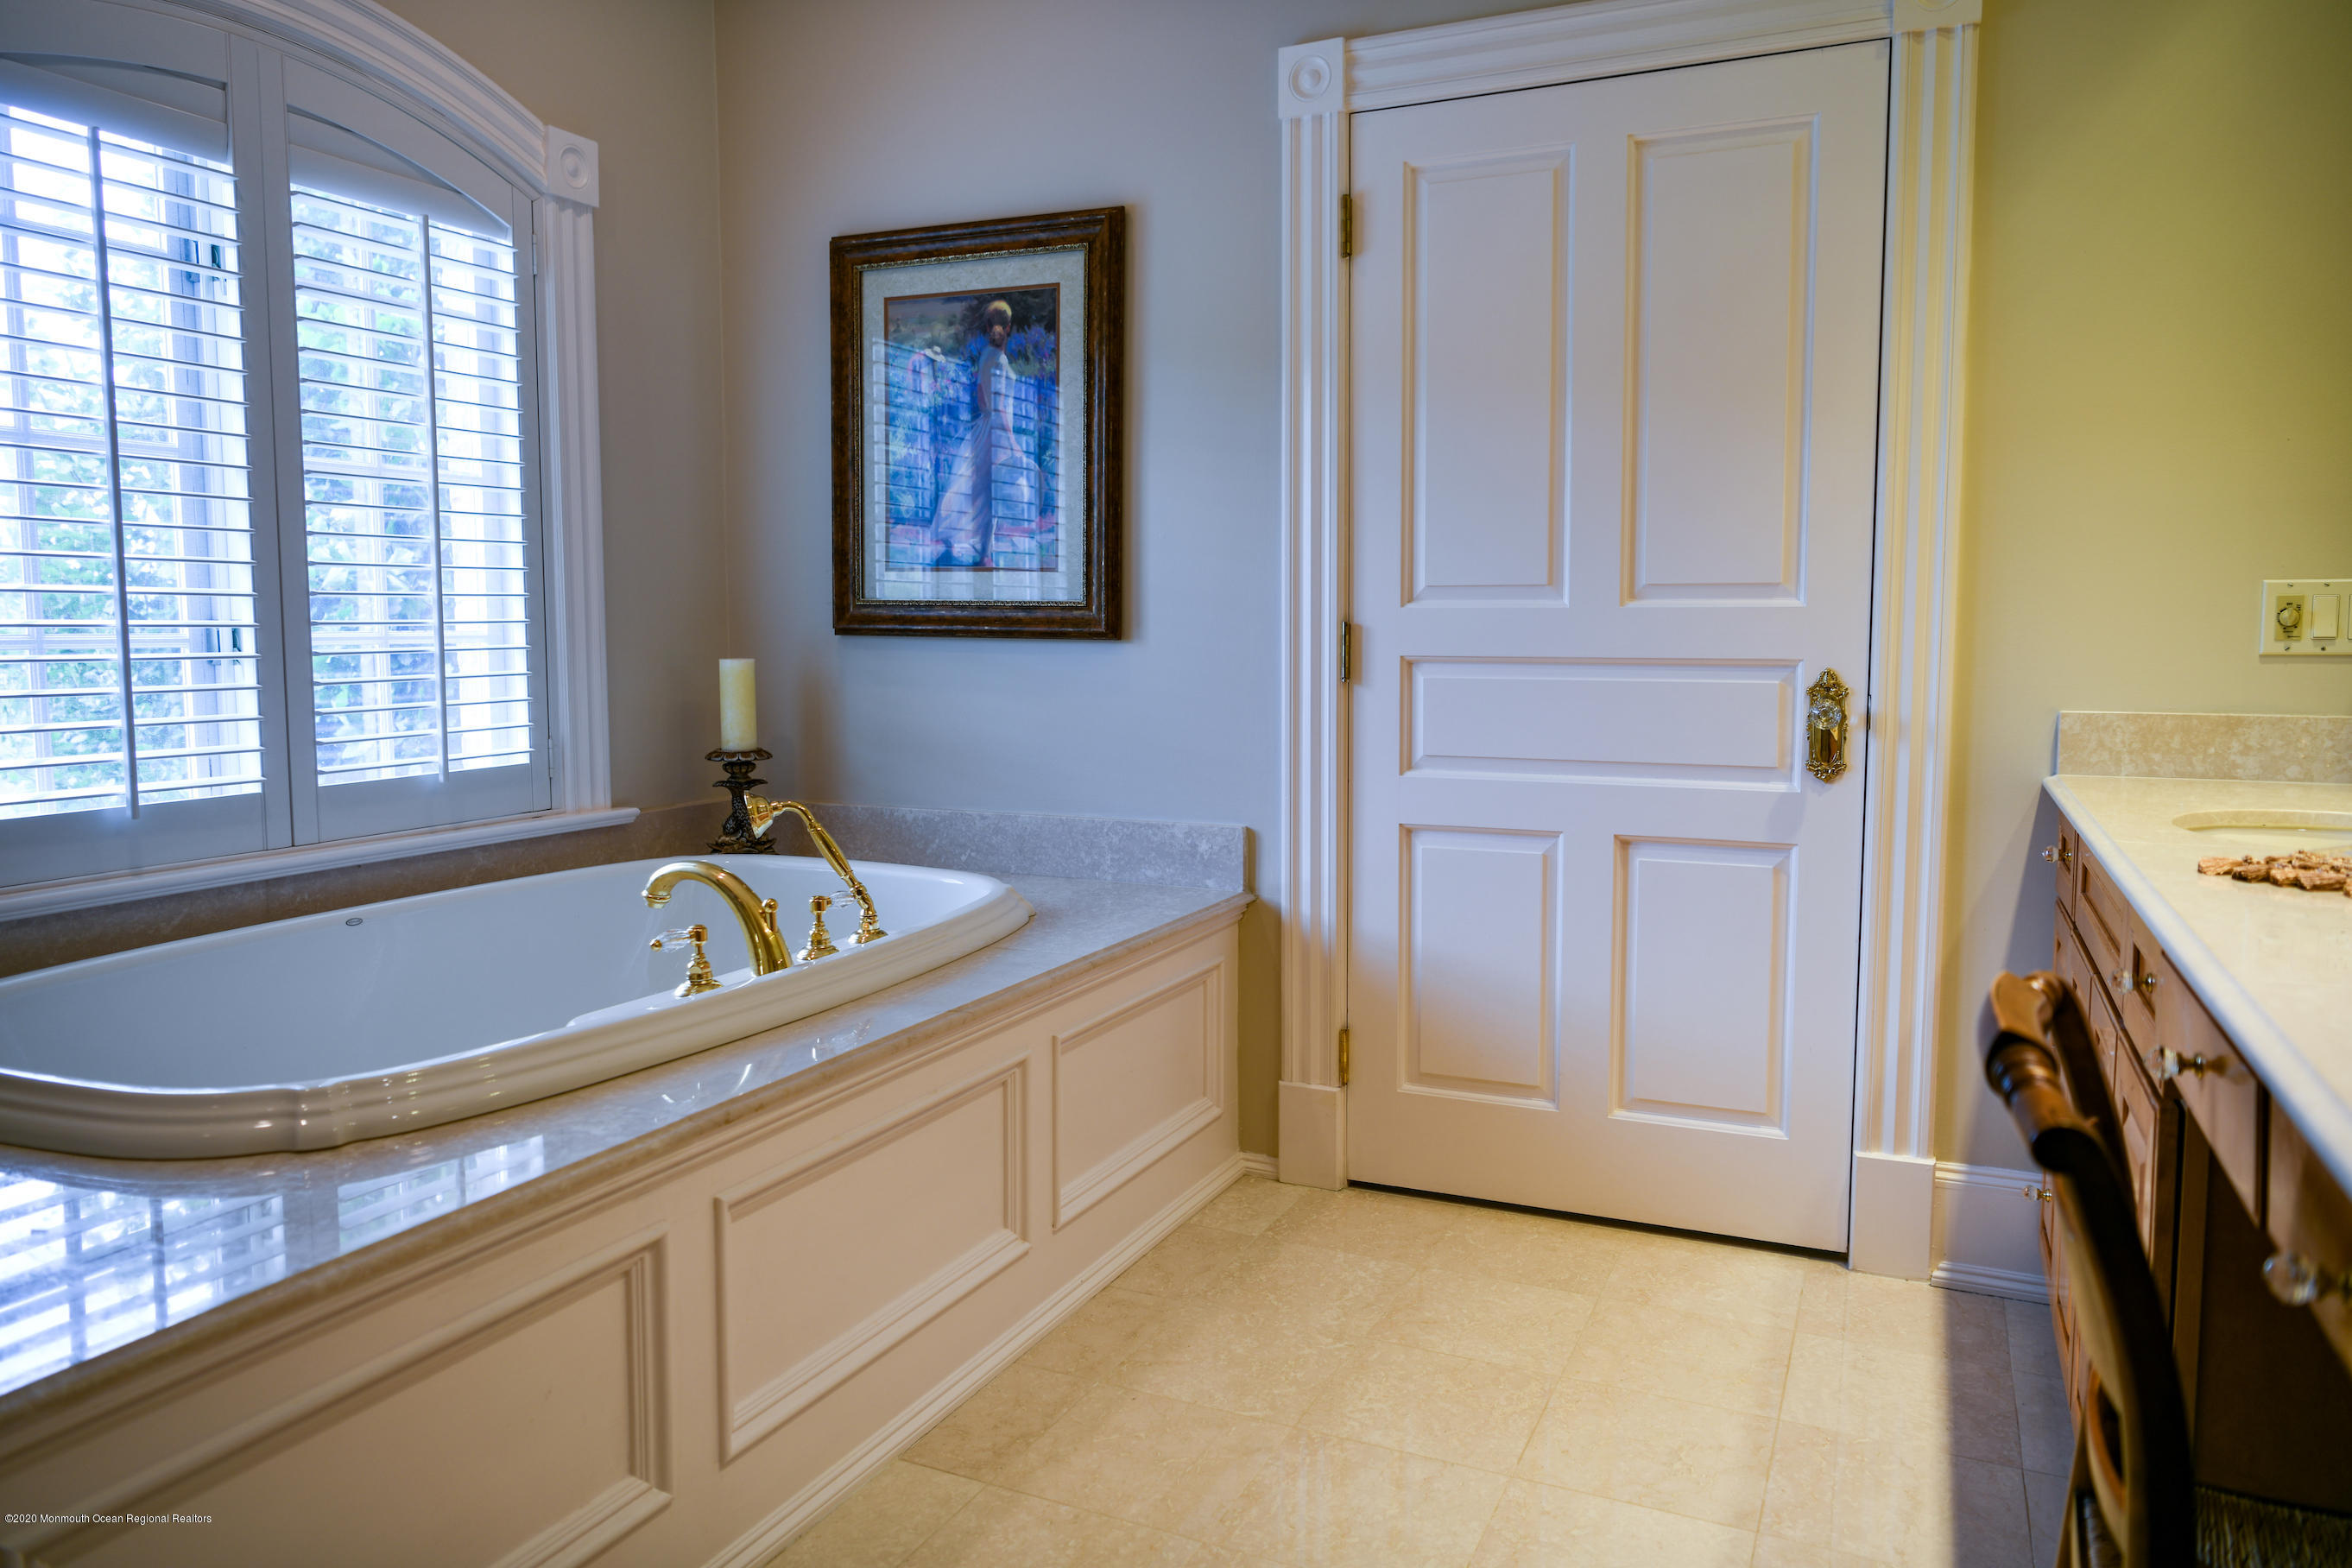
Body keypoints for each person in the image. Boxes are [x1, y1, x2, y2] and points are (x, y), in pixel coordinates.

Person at [928, 300, 1039, 568]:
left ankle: (973, 545)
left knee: (979, 487)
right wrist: (1012, 442)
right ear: (1008, 328)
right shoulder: (999, 358)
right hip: (999, 430)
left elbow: (981, 395)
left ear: (988, 326)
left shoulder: (987, 355)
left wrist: (986, 417)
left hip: (988, 424)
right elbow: (1000, 404)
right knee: (989, 490)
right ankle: (983, 552)